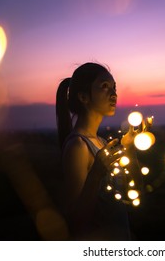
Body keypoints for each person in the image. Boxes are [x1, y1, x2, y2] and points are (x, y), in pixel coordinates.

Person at [56, 62, 141, 240]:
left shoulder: (101, 143)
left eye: (114, 87)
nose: (114, 94)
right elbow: (75, 221)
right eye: (104, 87)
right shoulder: (78, 146)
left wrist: (130, 149)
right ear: (83, 97)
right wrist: (96, 173)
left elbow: (132, 193)